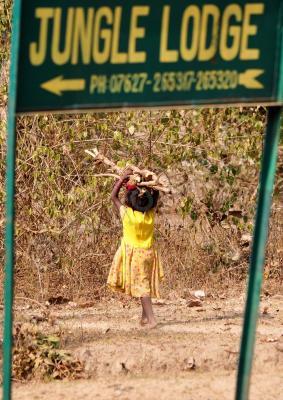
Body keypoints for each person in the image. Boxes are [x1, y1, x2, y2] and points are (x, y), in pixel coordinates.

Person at [107, 168, 164, 329]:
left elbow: (113, 197)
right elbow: (156, 196)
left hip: (135, 255)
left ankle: (152, 320)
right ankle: (145, 318)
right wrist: (150, 181)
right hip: (149, 253)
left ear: (130, 202)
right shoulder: (150, 215)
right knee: (144, 283)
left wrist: (122, 179)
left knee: (142, 287)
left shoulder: (127, 214)